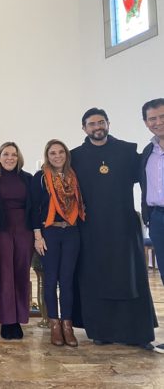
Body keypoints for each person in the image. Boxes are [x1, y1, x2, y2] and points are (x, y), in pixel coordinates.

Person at [71, 108, 158, 351]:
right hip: (91, 228)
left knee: (129, 277)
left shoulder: (128, 151)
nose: (97, 127)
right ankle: (101, 330)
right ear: (84, 128)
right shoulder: (74, 157)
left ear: (108, 123)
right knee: (96, 278)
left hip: (123, 226)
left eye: (101, 122)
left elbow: (149, 179)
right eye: (91, 124)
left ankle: (136, 332)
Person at [31, 139, 85, 347]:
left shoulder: (73, 176)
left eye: (60, 152)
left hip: (71, 231)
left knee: (67, 279)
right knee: (51, 279)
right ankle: (54, 324)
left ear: (66, 154)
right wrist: (37, 236)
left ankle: (67, 325)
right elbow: (34, 208)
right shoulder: (41, 178)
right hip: (49, 233)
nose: (57, 156)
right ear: (47, 155)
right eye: (52, 153)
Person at [0, 142, 33, 340]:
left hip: (24, 229)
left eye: (14, 154)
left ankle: (21, 318)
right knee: (5, 274)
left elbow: (35, 206)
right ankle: (8, 321)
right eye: (5, 154)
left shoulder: (28, 179)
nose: (10, 158)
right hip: (1, 230)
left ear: (18, 157)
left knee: (22, 273)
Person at [140, 98, 164, 287]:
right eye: (152, 119)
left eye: (162, 116)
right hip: (158, 219)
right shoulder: (148, 152)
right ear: (146, 123)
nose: (158, 122)